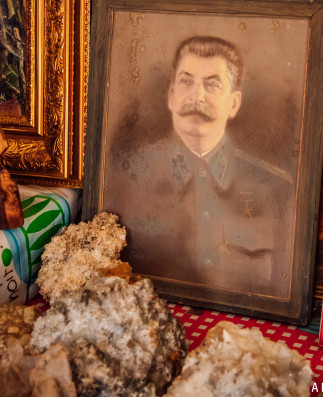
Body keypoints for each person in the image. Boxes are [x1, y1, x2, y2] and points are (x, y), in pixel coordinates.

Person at [104, 36, 295, 298]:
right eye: (186, 82)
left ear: (234, 104)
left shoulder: (277, 190)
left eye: (212, 84)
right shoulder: (124, 179)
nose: (197, 96)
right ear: (171, 96)